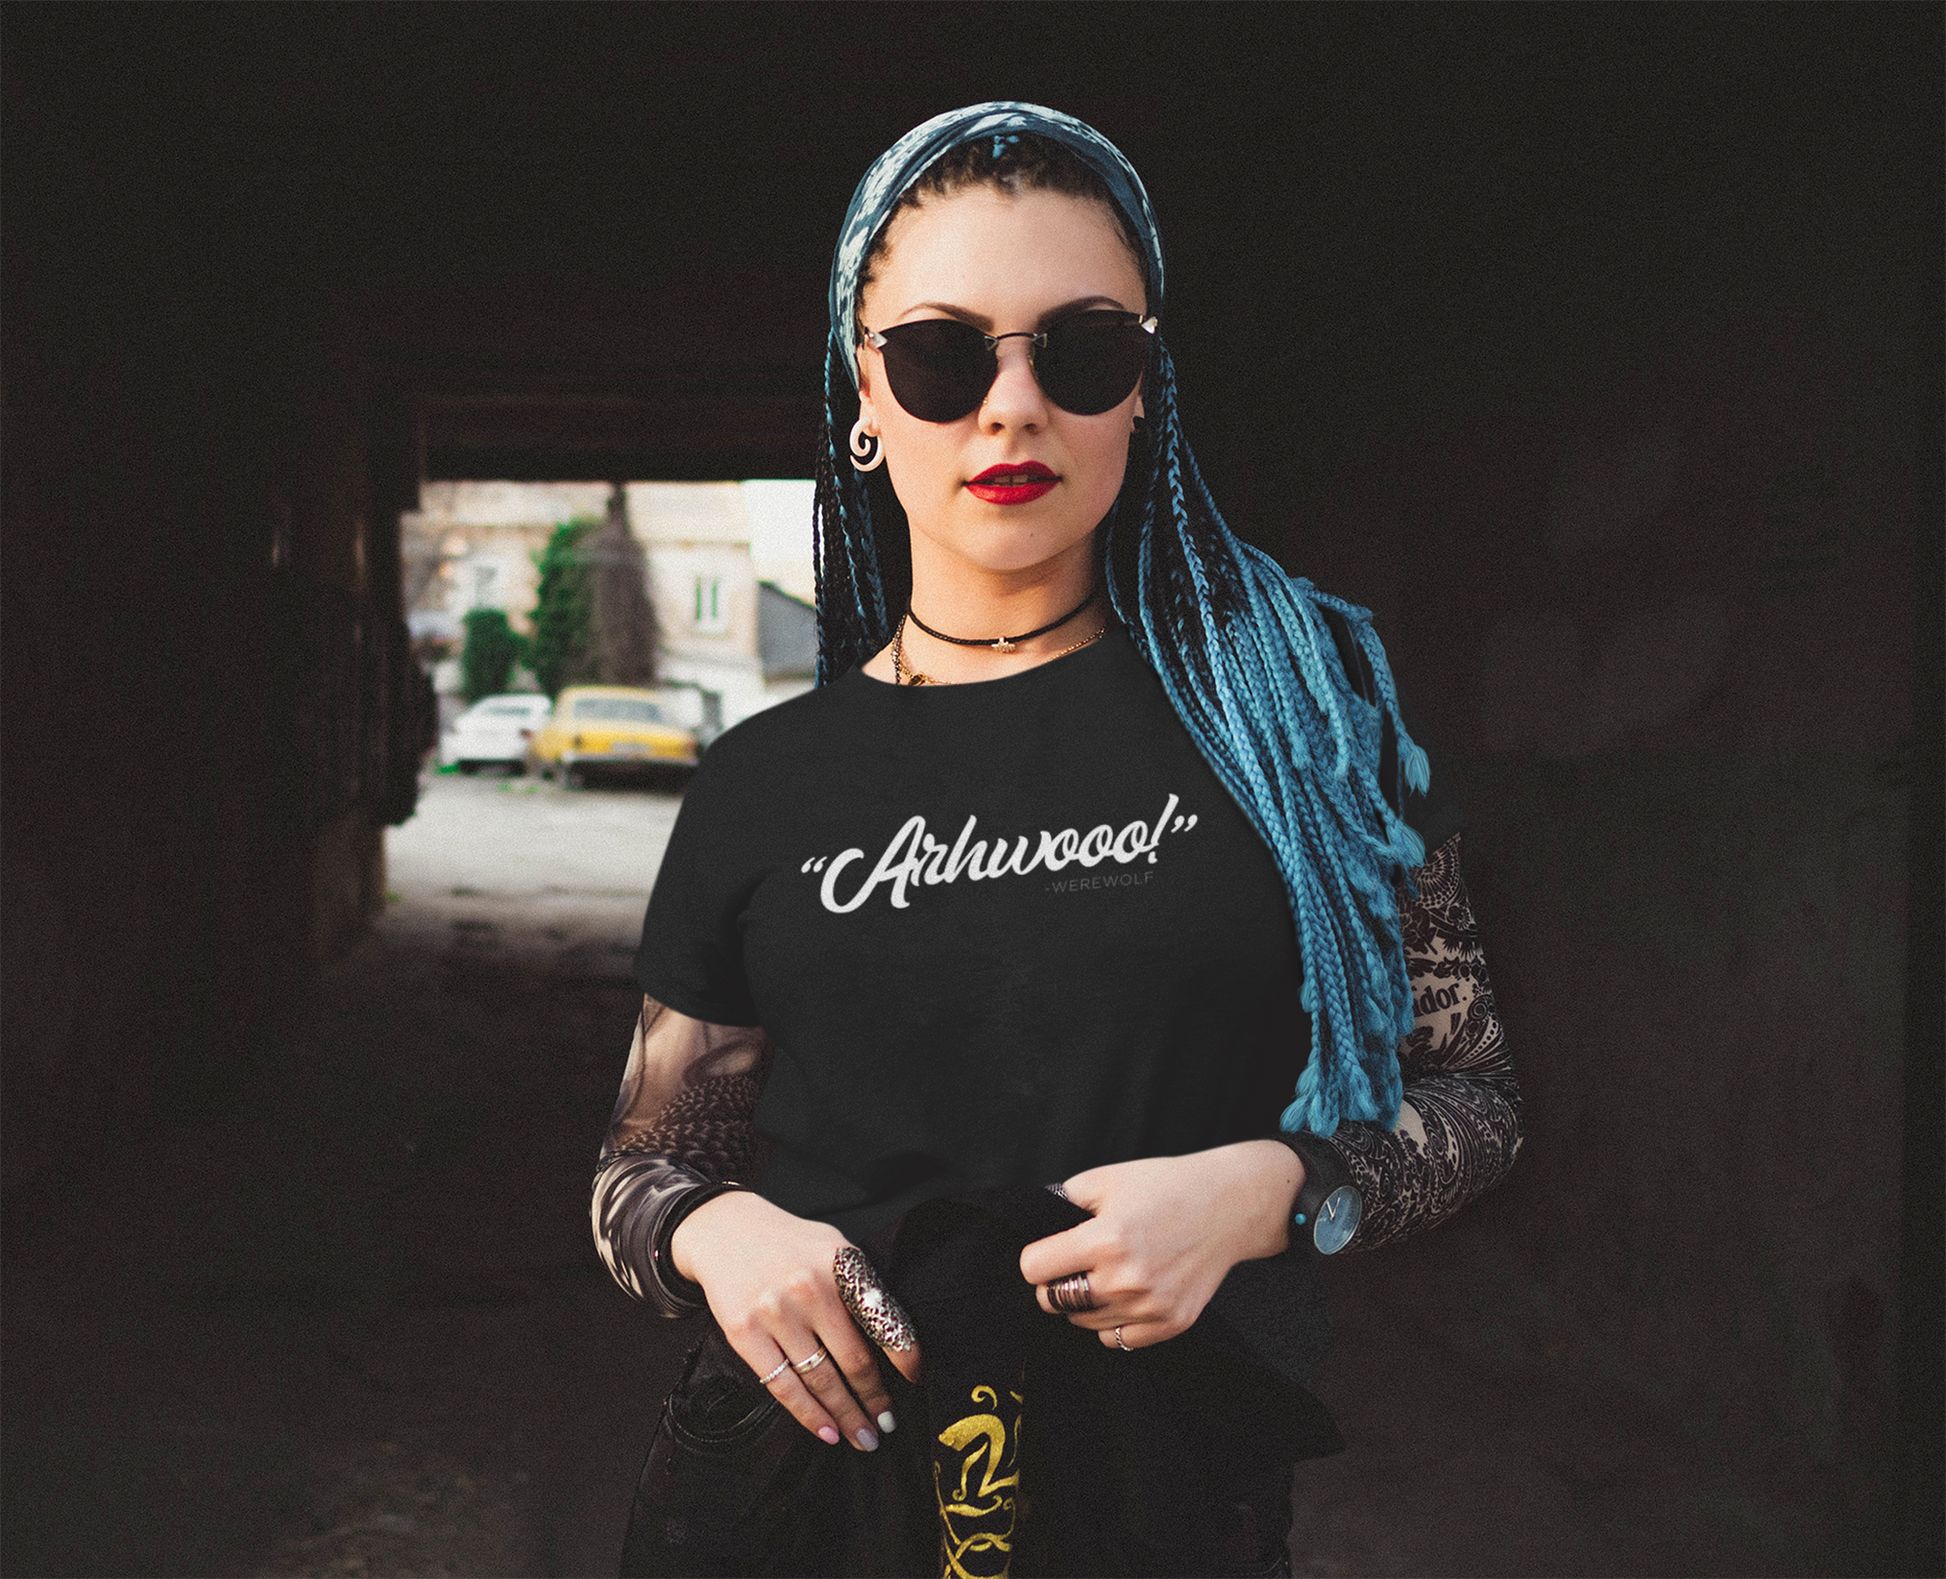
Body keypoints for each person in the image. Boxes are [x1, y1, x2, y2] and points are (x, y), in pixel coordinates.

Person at [592, 103, 1521, 1579]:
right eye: (942, 356)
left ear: (1143, 391)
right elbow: (643, 1172)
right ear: (862, 393)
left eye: (1081, 352)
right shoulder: (764, 784)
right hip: (808, 1499)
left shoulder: (1301, 736)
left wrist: (1270, 1191)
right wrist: (723, 1237)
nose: (1012, 407)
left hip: (1161, 1506)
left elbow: (1471, 1098)